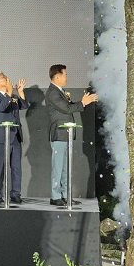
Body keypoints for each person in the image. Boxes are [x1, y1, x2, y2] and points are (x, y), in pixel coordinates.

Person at [45, 64, 98, 206]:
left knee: (65, 168)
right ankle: (55, 196)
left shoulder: (59, 91)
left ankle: (65, 195)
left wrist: (83, 102)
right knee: (58, 167)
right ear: (57, 76)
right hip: (59, 134)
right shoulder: (52, 92)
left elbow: (68, 107)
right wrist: (83, 103)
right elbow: (67, 109)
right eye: (65, 74)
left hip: (65, 134)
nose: (67, 77)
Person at [0, 72, 29, 205]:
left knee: (16, 167)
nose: (8, 80)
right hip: (0, 137)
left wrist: (20, 92)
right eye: (4, 79)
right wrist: (10, 93)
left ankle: (16, 194)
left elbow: (24, 106)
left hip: (15, 135)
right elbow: (2, 108)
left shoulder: (13, 96)